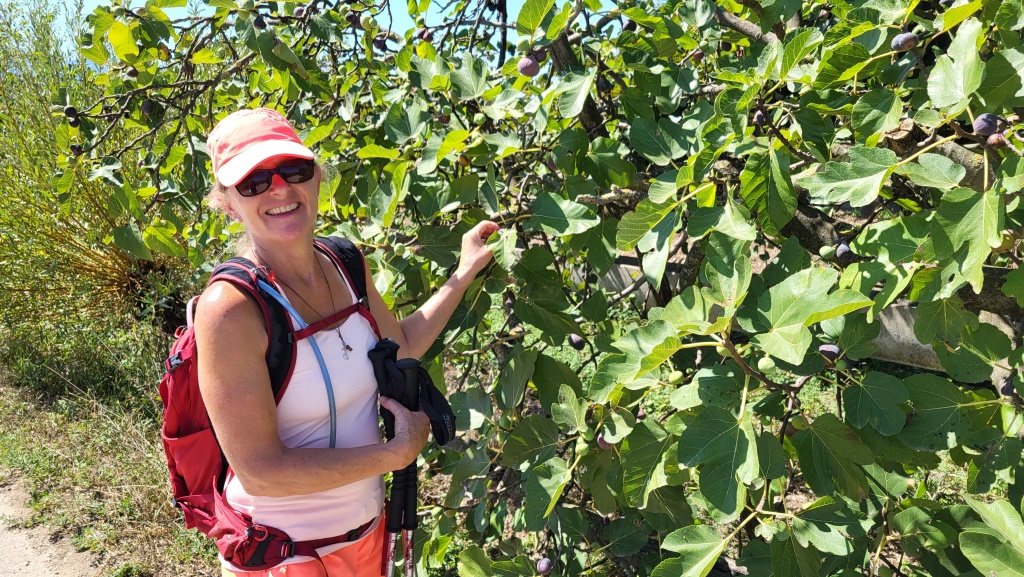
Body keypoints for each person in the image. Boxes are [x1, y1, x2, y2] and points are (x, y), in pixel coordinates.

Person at [194, 107, 499, 577]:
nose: (279, 188)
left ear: (317, 179)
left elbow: (401, 345)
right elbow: (260, 471)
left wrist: (463, 272)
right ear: (228, 203)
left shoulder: (345, 261)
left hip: (366, 536)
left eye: (293, 169)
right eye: (253, 182)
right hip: (286, 554)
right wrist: (394, 455)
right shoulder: (231, 309)